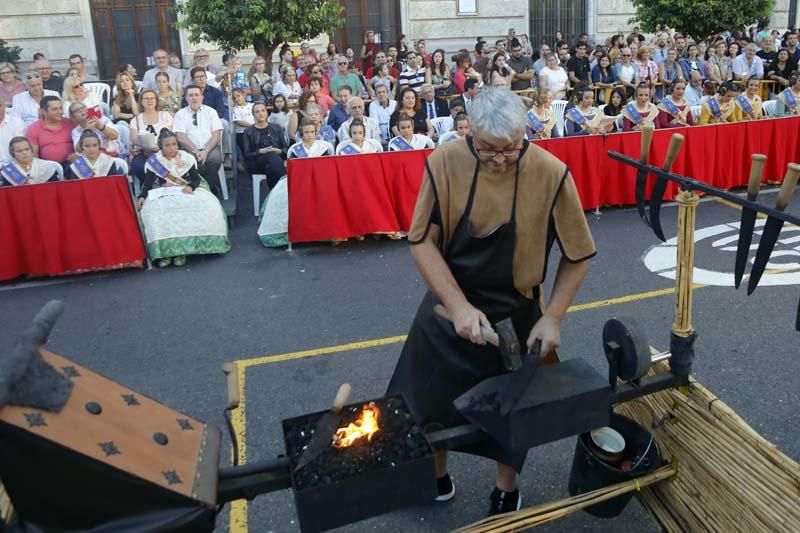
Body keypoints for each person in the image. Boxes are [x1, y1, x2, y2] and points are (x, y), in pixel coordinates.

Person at [387, 88, 595, 514]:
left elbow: (578, 255)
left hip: (515, 314)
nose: (500, 159)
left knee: (510, 418)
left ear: (525, 134)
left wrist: (553, 316)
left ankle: (506, 491)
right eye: (487, 150)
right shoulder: (444, 163)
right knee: (427, 406)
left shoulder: (551, 173)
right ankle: (437, 478)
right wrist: (459, 306)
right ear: (470, 132)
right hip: (447, 311)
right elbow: (422, 241)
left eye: (511, 150)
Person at [137, 129, 230, 267]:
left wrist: (191, 187)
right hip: (163, 191)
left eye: (174, 144)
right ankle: (165, 253)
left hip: (185, 188)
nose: (172, 148)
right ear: (161, 146)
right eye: (167, 145)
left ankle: (183, 250)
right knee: (154, 211)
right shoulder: (154, 162)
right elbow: (148, 183)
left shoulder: (186, 158)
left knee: (209, 204)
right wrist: (142, 196)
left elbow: (195, 179)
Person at [173, 85, 224, 195]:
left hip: (210, 147)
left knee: (214, 159)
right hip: (189, 149)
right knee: (189, 160)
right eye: (190, 95)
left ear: (202, 97)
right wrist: (196, 151)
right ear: (186, 98)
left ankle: (206, 190)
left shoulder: (211, 112)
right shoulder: (180, 114)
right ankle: (205, 187)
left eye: (196, 95)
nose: (194, 98)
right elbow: (180, 137)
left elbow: (216, 135)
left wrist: (205, 151)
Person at [130, 88, 173, 185]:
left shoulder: (165, 115)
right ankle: (154, 184)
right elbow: (134, 139)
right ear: (141, 101)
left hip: (164, 152)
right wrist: (146, 145)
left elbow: (171, 135)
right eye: (146, 98)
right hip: (145, 153)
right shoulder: (136, 119)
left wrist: (160, 147)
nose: (149, 101)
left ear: (156, 101)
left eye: (152, 98)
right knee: (138, 166)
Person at [25, 96, 77, 174]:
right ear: (43, 111)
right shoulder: (33, 129)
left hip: (72, 164)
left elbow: (83, 144)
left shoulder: (71, 123)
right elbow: (33, 155)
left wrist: (78, 155)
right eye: (55, 109)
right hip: (47, 167)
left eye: (60, 108)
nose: (60, 112)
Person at [242, 101, 287, 190]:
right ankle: (278, 192)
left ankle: (273, 193)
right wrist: (260, 151)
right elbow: (247, 155)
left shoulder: (276, 128)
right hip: (258, 162)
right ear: (253, 114)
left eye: (263, 111)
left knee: (273, 163)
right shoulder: (248, 131)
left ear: (267, 112)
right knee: (273, 158)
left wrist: (279, 150)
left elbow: (286, 149)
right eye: (257, 112)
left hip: (275, 161)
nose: (261, 114)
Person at [0, 98, 25, 163]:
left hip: (15, 164)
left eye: (0, 106)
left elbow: (22, 147)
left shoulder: (17, 123)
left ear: (5, 107)